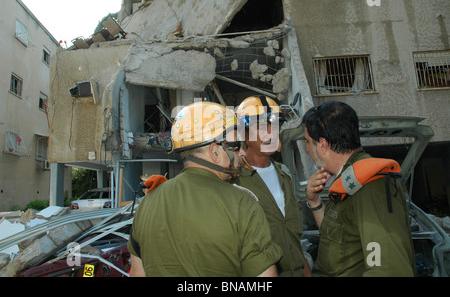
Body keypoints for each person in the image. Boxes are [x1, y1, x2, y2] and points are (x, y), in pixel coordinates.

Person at [128, 101, 282, 277]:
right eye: (236, 146)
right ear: (215, 152)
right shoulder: (243, 204)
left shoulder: (146, 205)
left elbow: (137, 274)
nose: (242, 153)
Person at [302, 101, 416, 277]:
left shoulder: (370, 184)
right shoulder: (348, 180)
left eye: (308, 142)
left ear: (323, 145)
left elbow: (386, 269)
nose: (307, 148)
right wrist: (314, 201)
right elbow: (338, 236)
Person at [235, 96, 311, 277]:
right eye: (261, 127)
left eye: (274, 125)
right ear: (244, 134)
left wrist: (305, 270)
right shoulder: (235, 181)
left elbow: (292, 235)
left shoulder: (284, 174)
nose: (270, 133)